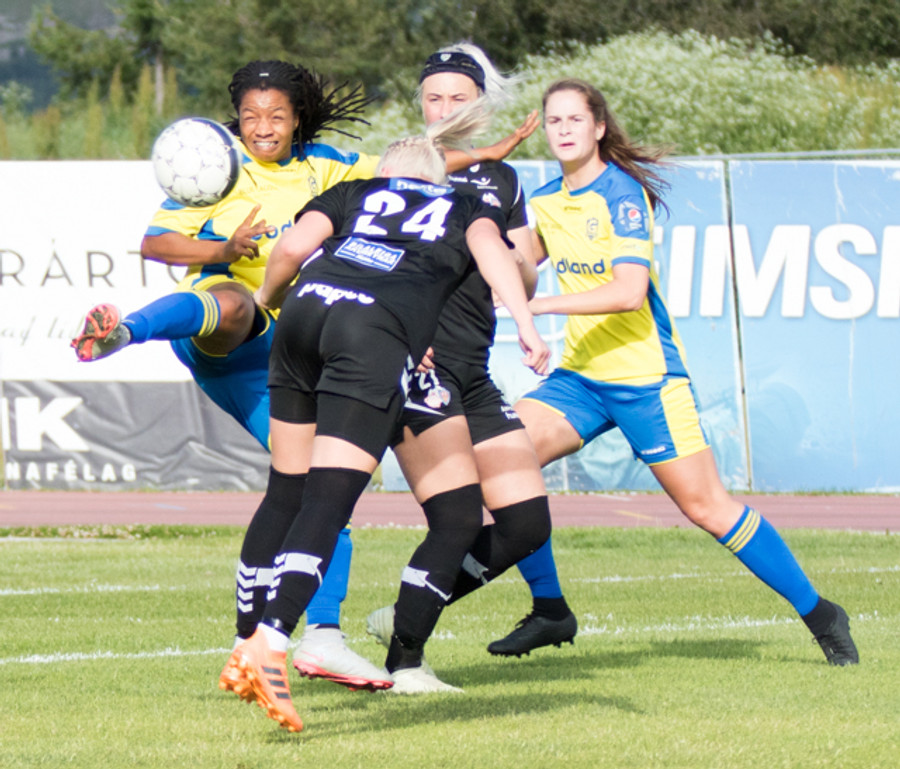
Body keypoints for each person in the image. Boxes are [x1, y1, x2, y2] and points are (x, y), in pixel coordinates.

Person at [487, 77, 859, 667]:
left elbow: (629, 291)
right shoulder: (548, 200)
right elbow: (512, 264)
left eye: (574, 119)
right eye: (553, 120)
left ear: (599, 127)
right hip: (581, 379)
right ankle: (550, 609)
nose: (563, 130)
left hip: (646, 380)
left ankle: (821, 614)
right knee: (504, 461)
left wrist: (535, 306)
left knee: (708, 508)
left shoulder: (622, 193)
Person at [223, 102, 549, 731]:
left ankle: (246, 637)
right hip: (369, 334)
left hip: (303, 317)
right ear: (436, 179)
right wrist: (528, 328)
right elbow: (495, 257)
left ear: (385, 174)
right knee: (329, 498)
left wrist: (265, 299)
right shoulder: (461, 204)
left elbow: (291, 248)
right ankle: (271, 641)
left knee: (288, 488)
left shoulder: (354, 191)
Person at [70, 60, 392, 690]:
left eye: (275, 115)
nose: (262, 127)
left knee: (324, 487)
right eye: (250, 116)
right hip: (224, 337)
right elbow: (157, 244)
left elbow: (409, 170)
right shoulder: (219, 169)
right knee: (238, 303)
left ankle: (295, 641)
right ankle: (123, 333)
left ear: (297, 118)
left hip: (286, 358)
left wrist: (483, 152)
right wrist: (222, 250)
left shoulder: (326, 166)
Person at [362, 43, 565, 691]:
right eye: (434, 98)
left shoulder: (504, 181)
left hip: (473, 372)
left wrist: (510, 256)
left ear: (481, 104)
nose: (445, 108)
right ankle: (398, 659)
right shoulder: (405, 167)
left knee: (526, 523)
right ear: (420, 104)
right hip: (417, 368)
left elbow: (524, 277)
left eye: (458, 97)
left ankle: (404, 617)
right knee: (454, 520)